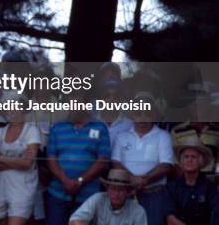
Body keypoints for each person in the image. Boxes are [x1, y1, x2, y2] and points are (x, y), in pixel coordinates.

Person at [46, 97, 111, 225]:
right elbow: (50, 158)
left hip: (88, 195)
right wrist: (65, 180)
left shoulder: (100, 127)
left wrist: (79, 181)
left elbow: (103, 160)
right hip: (58, 192)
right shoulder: (57, 127)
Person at [112, 91, 173, 225]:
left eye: (147, 113)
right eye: (138, 113)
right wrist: (132, 179)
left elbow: (166, 165)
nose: (142, 118)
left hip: (154, 195)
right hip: (125, 194)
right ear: (133, 115)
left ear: (154, 115)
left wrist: (141, 180)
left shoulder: (163, 136)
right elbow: (115, 162)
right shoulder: (122, 136)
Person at [0, 103, 41, 225]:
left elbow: (28, 163)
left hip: (23, 185)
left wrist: (1, 158)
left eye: (15, 109)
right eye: (8, 109)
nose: (11, 112)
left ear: (23, 112)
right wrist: (18, 161)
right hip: (0, 183)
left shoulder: (32, 130)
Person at [166, 135, 219, 225]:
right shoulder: (171, 187)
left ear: (200, 161)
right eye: (186, 157)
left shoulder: (210, 187)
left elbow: (216, 214)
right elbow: (170, 219)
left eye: (193, 157)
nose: (189, 160)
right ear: (181, 162)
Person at [69, 168, 147, 225]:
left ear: (127, 192)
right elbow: (74, 221)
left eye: (120, 190)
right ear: (107, 190)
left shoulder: (138, 211)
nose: (116, 194)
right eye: (113, 189)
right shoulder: (98, 199)